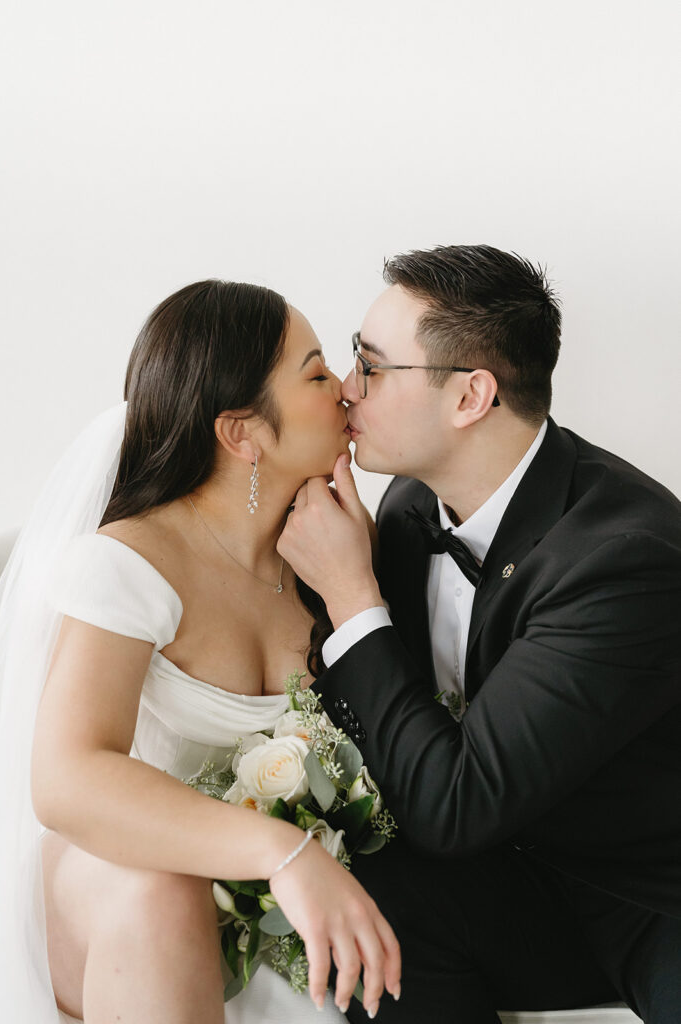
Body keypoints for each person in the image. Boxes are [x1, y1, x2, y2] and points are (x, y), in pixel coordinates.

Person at [277, 245, 681, 1023]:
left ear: (469, 397)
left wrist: (352, 597)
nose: (346, 392)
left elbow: (456, 803)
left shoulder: (625, 559)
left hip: (645, 895)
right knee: (367, 895)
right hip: (507, 880)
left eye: (369, 366)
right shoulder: (403, 506)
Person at [0, 280, 400, 1024]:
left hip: (267, 909)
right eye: (316, 374)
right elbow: (67, 782)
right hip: (116, 883)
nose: (346, 391)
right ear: (241, 432)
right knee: (162, 890)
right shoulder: (125, 562)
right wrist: (284, 853)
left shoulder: (337, 543)